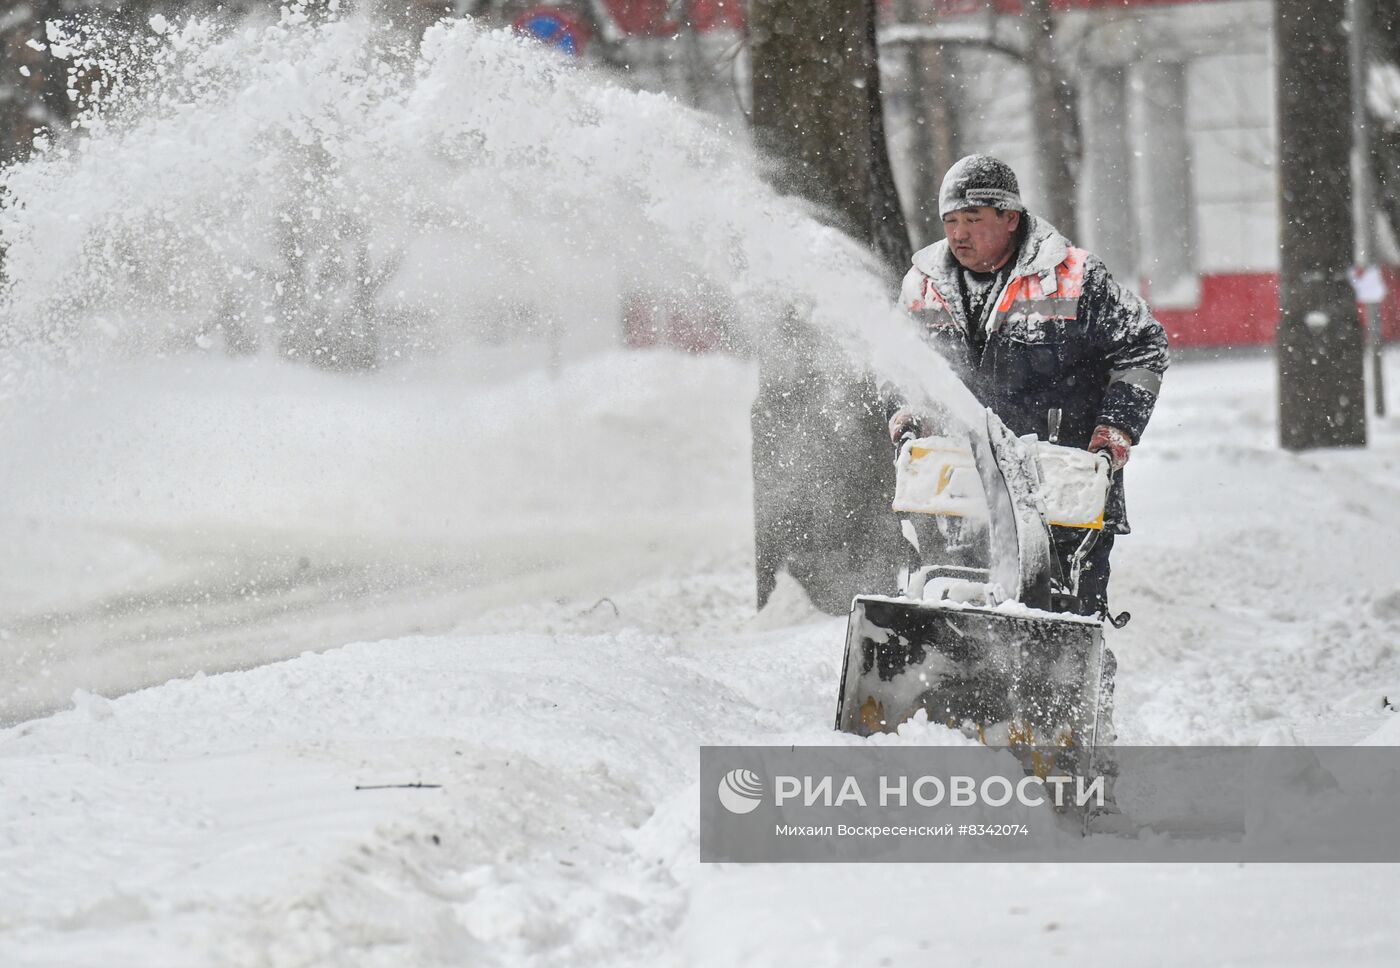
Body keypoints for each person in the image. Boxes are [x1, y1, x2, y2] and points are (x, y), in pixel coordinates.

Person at [889, 153, 1169, 618]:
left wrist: (1116, 428)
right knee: (956, 617)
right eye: (950, 220)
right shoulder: (922, 286)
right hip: (956, 493)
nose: (958, 234)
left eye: (973, 219)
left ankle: (1070, 690)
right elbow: (897, 364)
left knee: (1065, 621)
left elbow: (1143, 348)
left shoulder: (1076, 278)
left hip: (1064, 493)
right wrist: (905, 410)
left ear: (1011, 218)